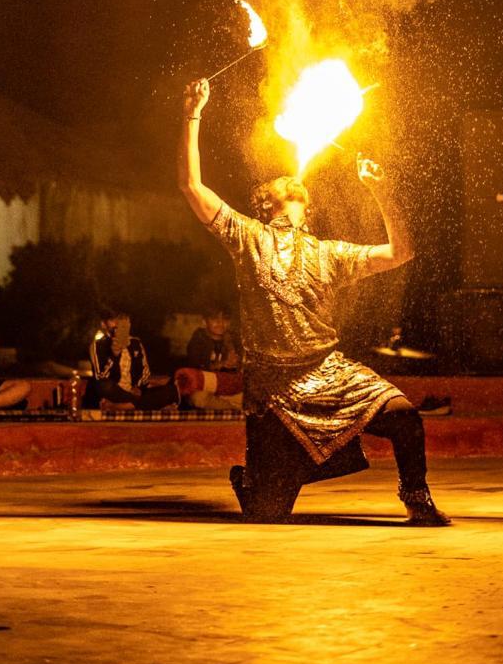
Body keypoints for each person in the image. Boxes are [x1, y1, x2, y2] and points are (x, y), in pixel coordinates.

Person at [178, 77, 449, 526]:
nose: (291, 182)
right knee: (267, 513)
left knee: (404, 416)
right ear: (266, 206)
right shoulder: (248, 238)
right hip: (273, 392)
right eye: (280, 185)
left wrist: (380, 191)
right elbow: (191, 187)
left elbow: (401, 252)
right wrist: (193, 114)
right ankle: (261, 480)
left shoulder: (328, 254)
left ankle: (416, 497)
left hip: (327, 372)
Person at [86, 305, 180, 410]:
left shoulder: (135, 343)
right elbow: (101, 377)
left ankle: (120, 406)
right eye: (113, 320)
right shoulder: (98, 345)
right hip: (114, 392)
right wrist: (114, 356)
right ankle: (149, 405)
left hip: (133, 392)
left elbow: (144, 375)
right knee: (105, 386)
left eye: (122, 320)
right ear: (104, 324)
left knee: (171, 390)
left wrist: (138, 388)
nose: (118, 324)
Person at [176, 305, 244, 410]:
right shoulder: (198, 340)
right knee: (198, 399)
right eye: (214, 319)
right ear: (204, 322)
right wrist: (221, 364)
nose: (220, 323)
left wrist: (236, 362)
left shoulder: (233, 340)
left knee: (250, 398)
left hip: (226, 389)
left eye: (224, 319)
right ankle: (234, 411)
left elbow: (240, 369)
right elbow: (196, 369)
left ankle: (231, 410)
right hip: (205, 389)